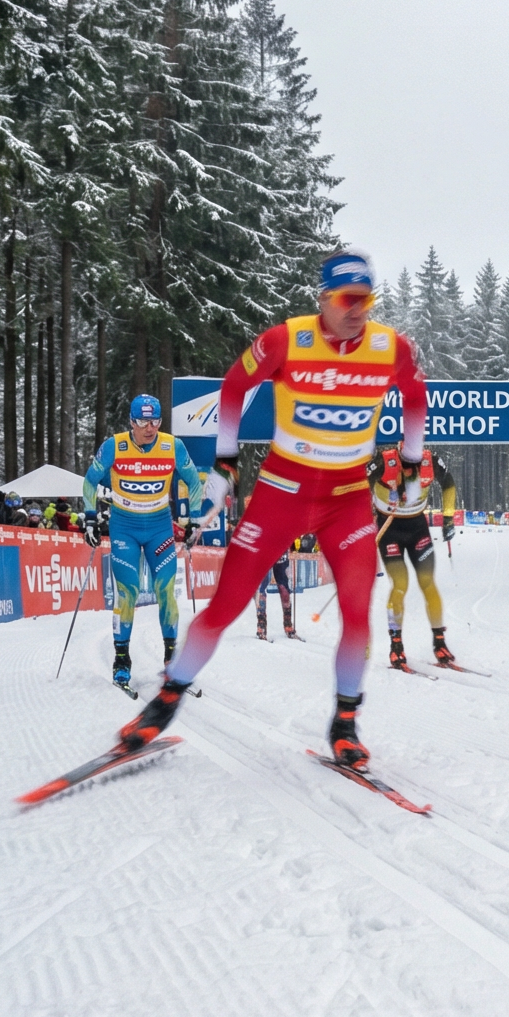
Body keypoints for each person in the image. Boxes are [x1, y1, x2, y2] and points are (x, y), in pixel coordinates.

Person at [116, 250, 431, 770]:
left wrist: (415, 465)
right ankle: (165, 701)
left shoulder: (388, 347)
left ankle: (345, 723)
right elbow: (236, 386)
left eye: (366, 301)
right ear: (323, 299)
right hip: (281, 493)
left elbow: (416, 399)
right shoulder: (288, 339)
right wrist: (225, 465)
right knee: (225, 607)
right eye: (348, 300)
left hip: (347, 499)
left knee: (356, 612)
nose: (358, 311)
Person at [84, 393, 205, 691]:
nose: (149, 428)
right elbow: (89, 481)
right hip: (124, 528)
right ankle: (122, 661)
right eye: (143, 422)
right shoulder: (114, 446)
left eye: (155, 422)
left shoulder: (172, 446)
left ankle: (171, 662)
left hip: (159, 529)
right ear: (131, 422)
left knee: (166, 591)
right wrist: (89, 517)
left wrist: (193, 520)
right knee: (128, 593)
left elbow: (193, 481)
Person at [375, 448, 459, 669]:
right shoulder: (385, 461)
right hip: (388, 527)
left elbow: (448, 484)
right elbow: (359, 488)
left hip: (417, 527)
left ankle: (439, 643)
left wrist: (448, 518)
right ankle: (396, 647)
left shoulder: (430, 459)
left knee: (428, 582)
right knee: (400, 583)